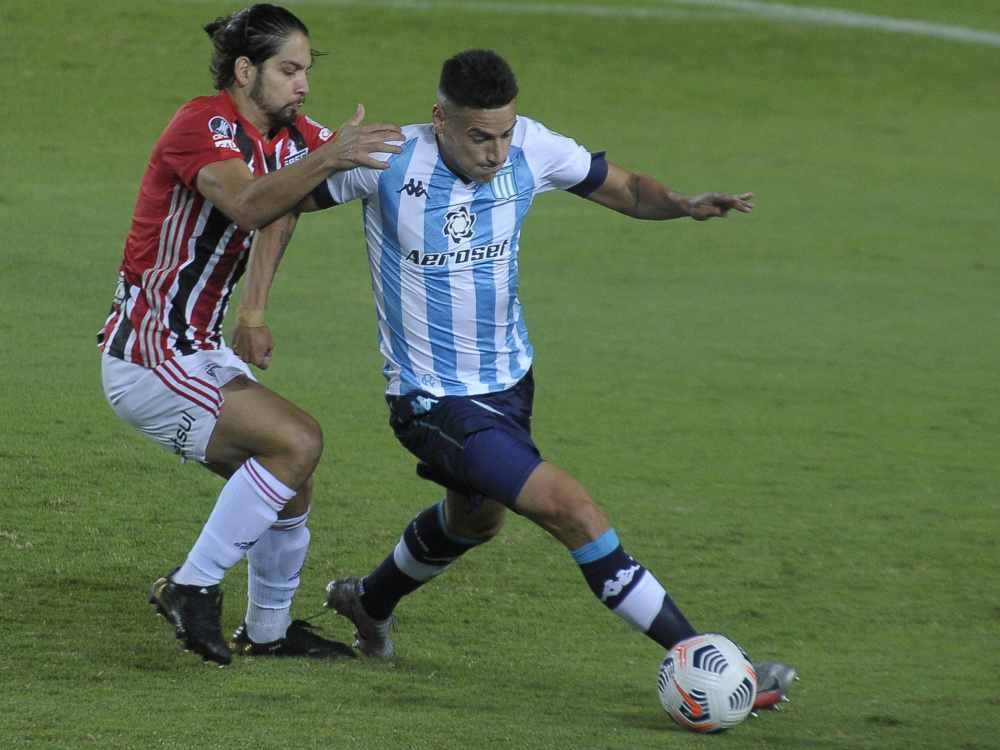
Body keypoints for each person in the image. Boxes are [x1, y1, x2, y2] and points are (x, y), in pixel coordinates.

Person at [237, 48, 796, 706]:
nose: (496, 152)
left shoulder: (533, 147)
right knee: (574, 511)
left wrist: (685, 203)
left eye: (504, 133)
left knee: (476, 521)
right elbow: (280, 206)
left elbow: (626, 188)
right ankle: (712, 667)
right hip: (431, 403)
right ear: (439, 119)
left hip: (510, 385)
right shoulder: (389, 160)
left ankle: (368, 600)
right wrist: (253, 309)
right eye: (479, 136)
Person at [97, 3, 403, 665]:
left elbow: (304, 192)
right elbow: (249, 201)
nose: (304, 85)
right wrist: (329, 158)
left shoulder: (288, 137)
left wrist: (448, 154)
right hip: (150, 349)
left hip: (195, 345)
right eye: (289, 70)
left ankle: (268, 633)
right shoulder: (202, 123)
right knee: (296, 440)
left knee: (290, 476)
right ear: (245, 70)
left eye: (306, 70)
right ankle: (191, 588)